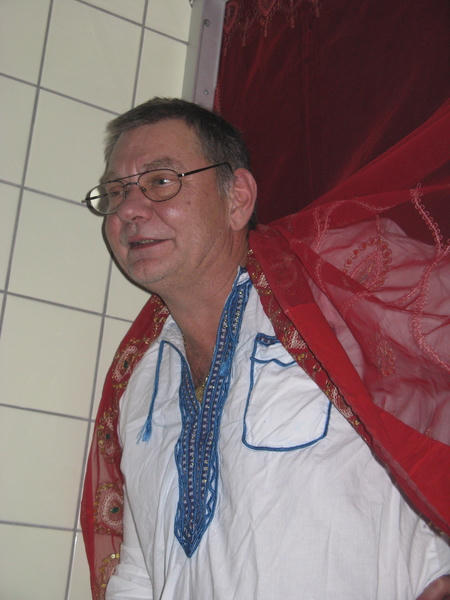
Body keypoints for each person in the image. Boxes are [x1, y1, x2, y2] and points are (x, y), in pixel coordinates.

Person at [80, 98, 450, 600]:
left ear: (237, 199)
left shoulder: (338, 294)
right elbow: (140, 571)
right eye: (115, 192)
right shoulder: (138, 380)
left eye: (160, 181)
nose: (128, 209)